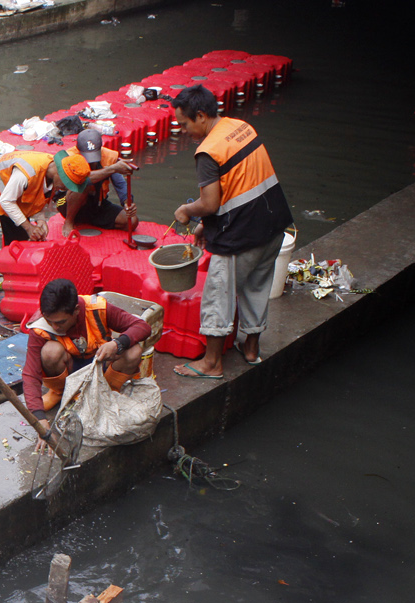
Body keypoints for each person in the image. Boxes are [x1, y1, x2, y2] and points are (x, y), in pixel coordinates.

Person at [169, 84, 293, 378]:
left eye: (184, 123)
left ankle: (211, 363)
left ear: (200, 116)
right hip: (274, 225)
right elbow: (239, 184)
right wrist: (205, 226)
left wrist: (187, 211)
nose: (183, 131)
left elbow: (211, 203)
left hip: (242, 235)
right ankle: (251, 349)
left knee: (218, 293)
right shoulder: (240, 127)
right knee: (257, 286)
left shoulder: (208, 151)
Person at [22, 278, 151, 447]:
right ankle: (62, 393)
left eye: (61, 322)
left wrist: (117, 344)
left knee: (133, 351)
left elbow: (143, 327)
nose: (55, 327)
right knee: (49, 352)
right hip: (69, 371)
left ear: (76, 311)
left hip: (101, 366)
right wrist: (39, 420)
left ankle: (106, 394)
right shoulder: (39, 327)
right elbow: (31, 375)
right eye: (50, 321)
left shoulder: (97, 308)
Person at [0, 151, 68, 315]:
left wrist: (40, 222)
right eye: (66, 183)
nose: (65, 188)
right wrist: (28, 226)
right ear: (58, 172)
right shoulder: (26, 173)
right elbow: (5, 201)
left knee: (18, 246)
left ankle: (14, 289)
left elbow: (38, 199)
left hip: (13, 198)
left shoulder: (51, 177)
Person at [55, 129, 139, 235]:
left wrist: (128, 203)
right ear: (78, 150)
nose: (91, 161)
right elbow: (84, 180)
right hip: (67, 202)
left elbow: (120, 183)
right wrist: (112, 169)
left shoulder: (108, 157)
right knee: (83, 186)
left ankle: (92, 221)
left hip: (97, 204)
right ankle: (69, 222)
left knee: (132, 221)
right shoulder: (70, 157)